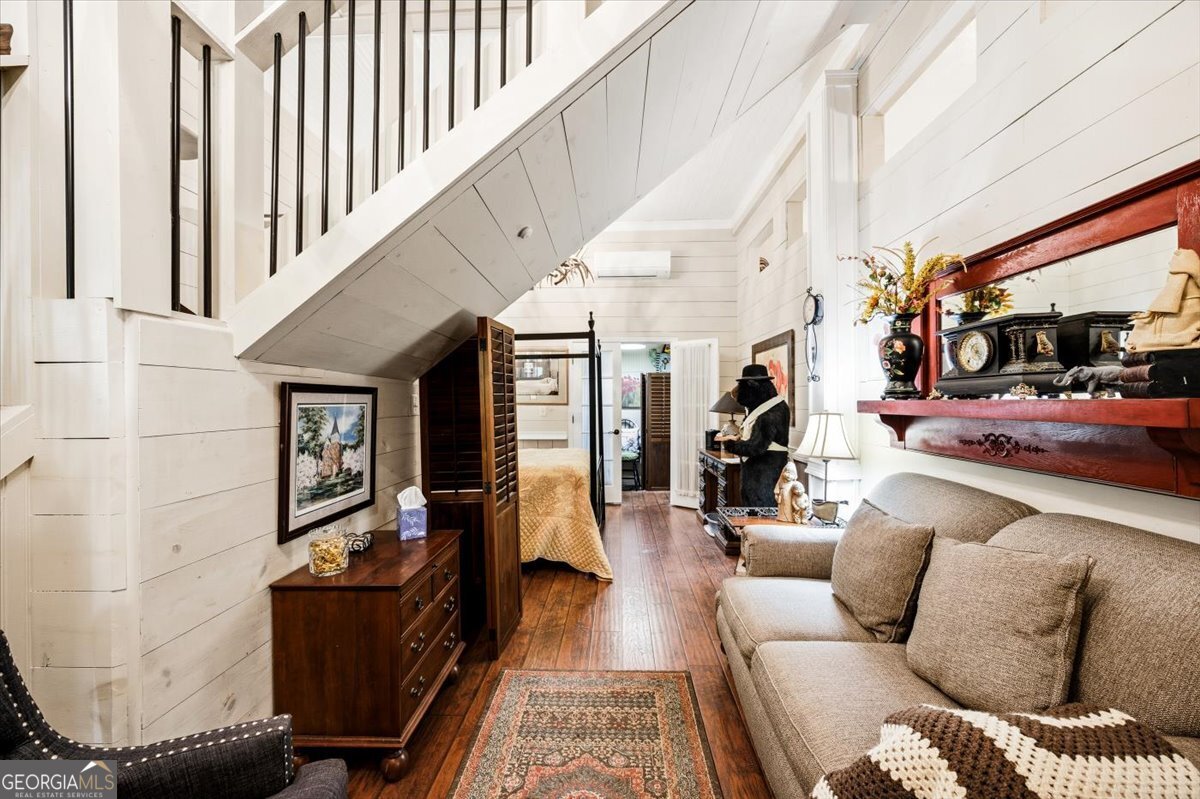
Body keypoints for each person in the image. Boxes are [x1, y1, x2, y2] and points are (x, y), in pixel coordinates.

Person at [715, 364, 791, 507]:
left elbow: (756, 447)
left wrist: (729, 444)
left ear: (752, 386)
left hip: (764, 472)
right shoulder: (774, 406)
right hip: (759, 468)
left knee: (759, 506)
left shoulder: (770, 414)